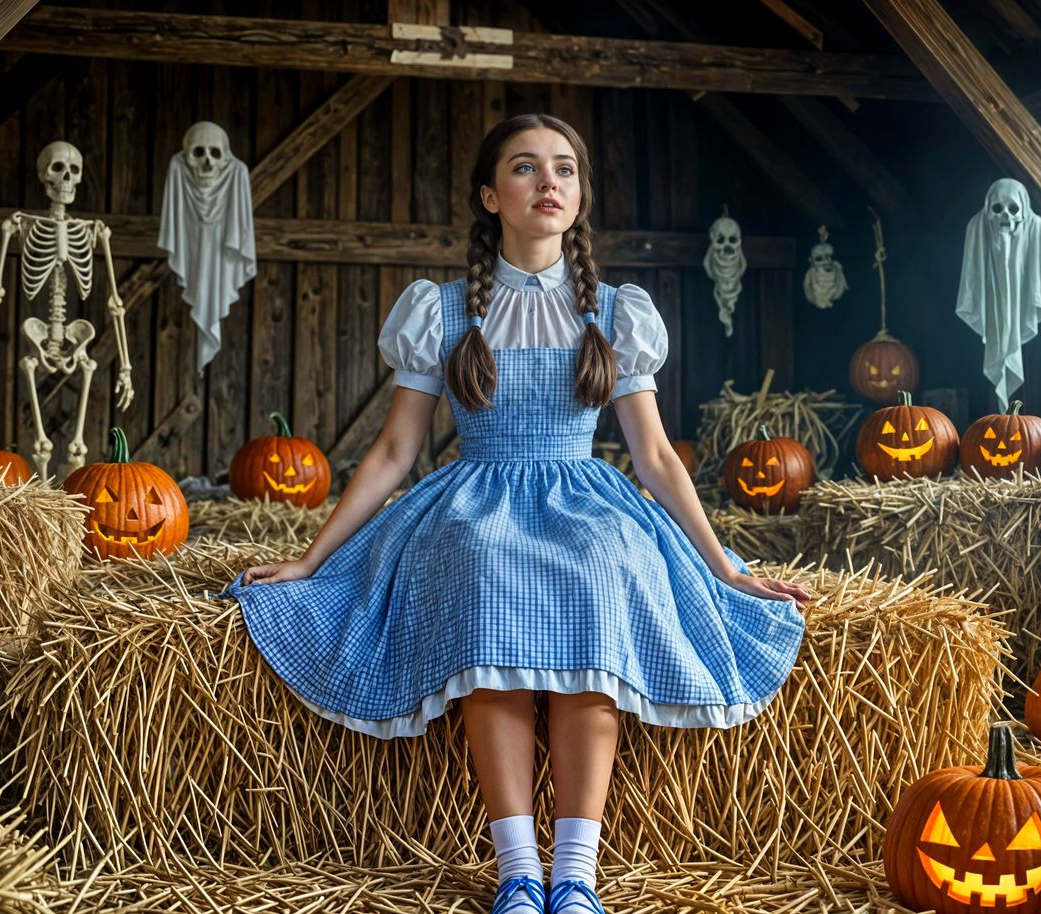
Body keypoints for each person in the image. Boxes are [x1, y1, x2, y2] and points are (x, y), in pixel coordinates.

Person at [225, 113, 810, 914]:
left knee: (605, 573)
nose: (549, 183)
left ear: (579, 195)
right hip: (478, 493)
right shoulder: (443, 310)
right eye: (527, 168)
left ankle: (575, 875)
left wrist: (725, 569)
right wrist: (310, 561)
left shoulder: (614, 311)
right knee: (478, 562)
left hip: (583, 492)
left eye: (565, 169)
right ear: (489, 195)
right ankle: (518, 873)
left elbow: (656, 459)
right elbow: (396, 452)